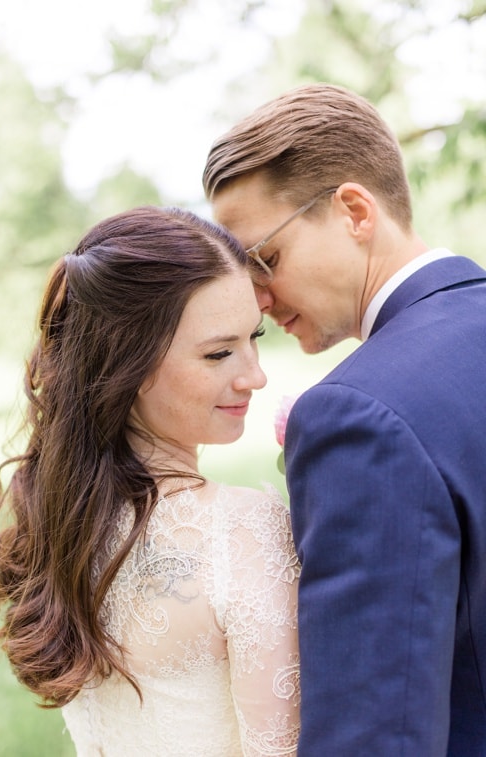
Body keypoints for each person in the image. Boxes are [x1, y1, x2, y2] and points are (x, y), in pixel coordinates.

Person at [203, 83, 486, 755]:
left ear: (354, 210)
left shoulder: (358, 417)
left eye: (264, 260)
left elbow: (375, 734)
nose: (260, 298)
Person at [0, 206, 301, 756]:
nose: (255, 374)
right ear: (128, 362)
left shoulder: (60, 522)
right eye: (219, 352)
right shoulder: (243, 532)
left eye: (254, 337)